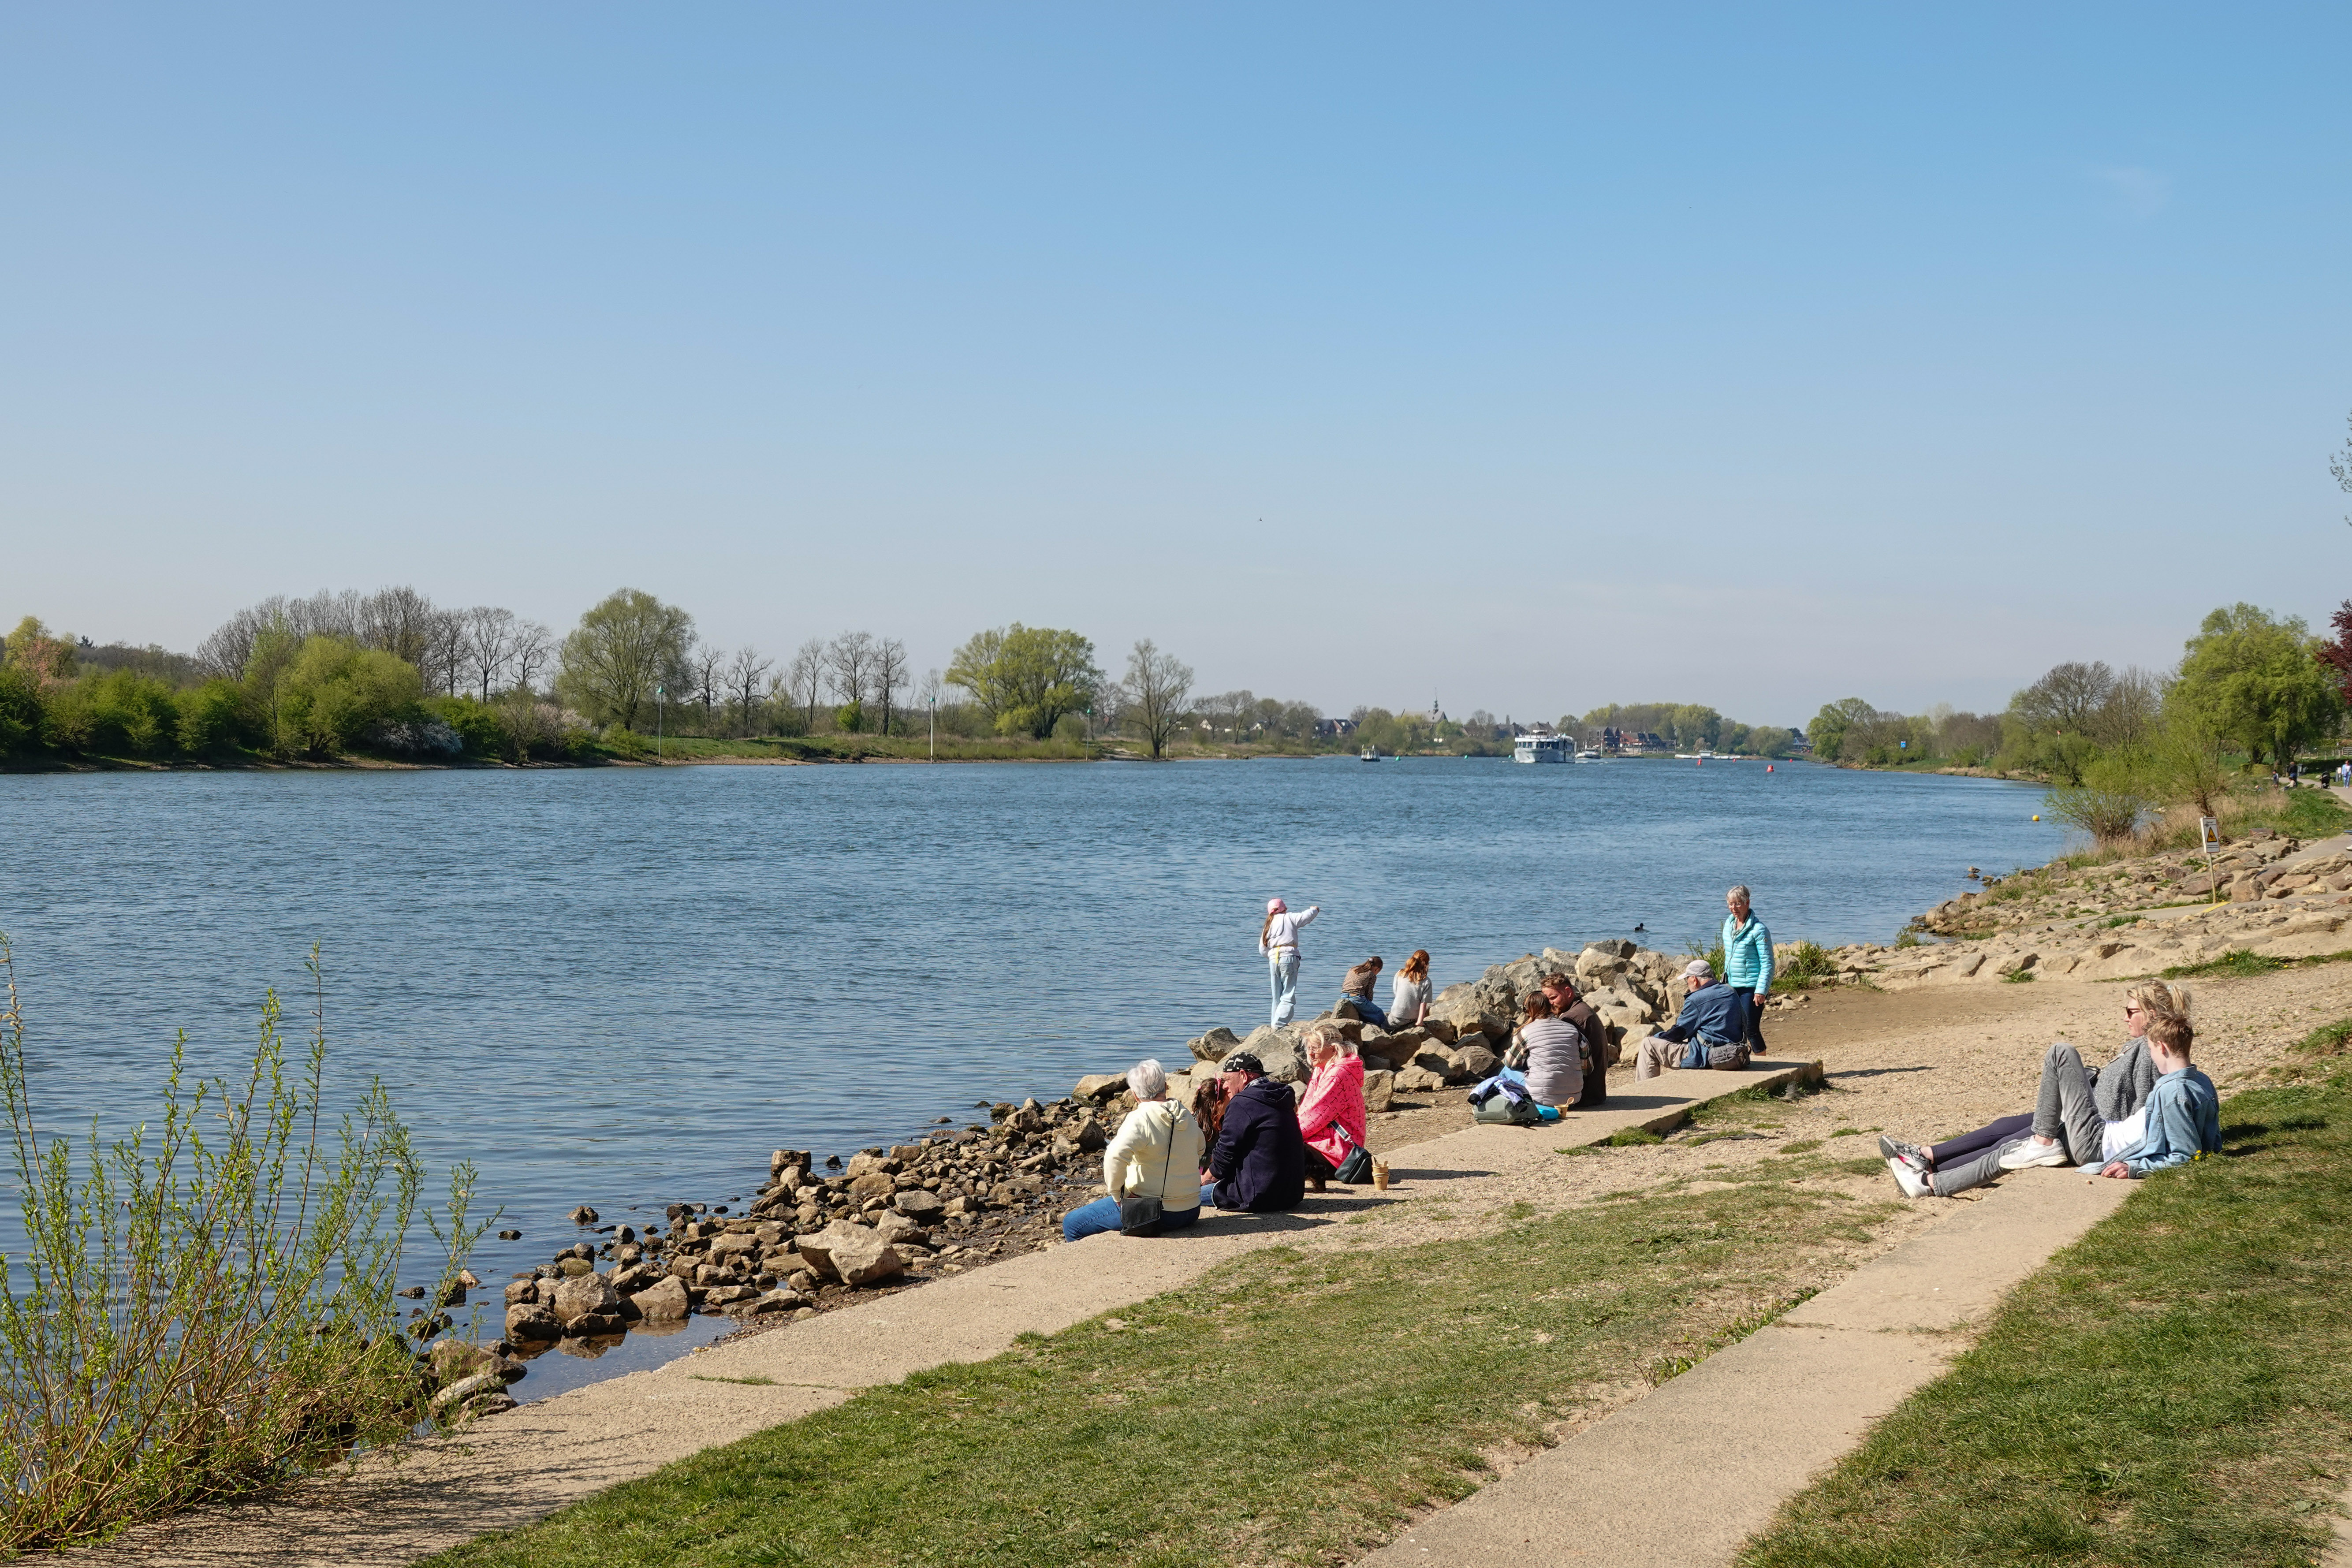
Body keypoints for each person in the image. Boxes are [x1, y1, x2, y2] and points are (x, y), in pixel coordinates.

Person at [1881, 983, 2186, 1199]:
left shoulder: (2150, 1052)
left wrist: (2127, 1157)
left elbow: (2145, 1112)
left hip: (2092, 1127)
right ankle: (1926, 1157)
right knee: (2005, 1126)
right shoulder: (2139, 1045)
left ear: (2151, 1013)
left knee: (2011, 1143)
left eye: (2131, 1011)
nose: (2124, 1017)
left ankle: (1932, 1174)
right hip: (2083, 1117)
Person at [1060, 1059, 1211, 1241]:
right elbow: (1201, 1149)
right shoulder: (1184, 1114)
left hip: (1155, 1213)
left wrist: (1119, 1195)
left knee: (1072, 1224)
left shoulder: (1140, 1119)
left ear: (1135, 1095)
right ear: (1165, 1087)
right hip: (1191, 1210)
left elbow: (1114, 1157)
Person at [1205, 1050, 1308, 1212]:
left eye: (1227, 1079)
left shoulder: (1242, 1102)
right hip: (1291, 1195)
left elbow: (1225, 1153)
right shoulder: (1281, 1096)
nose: (1224, 1086)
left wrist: (1204, 1180)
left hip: (1256, 1196)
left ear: (1243, 1075)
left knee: (1184, 1197)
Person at [1633, 961, 1746, 1079]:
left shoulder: (1696, 999)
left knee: (1648, 1044)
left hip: (1709, 1056)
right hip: (1736, 1052)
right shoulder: (1730, 991)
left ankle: (1644, 1089)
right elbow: (1744, 1021)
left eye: (1687, 979)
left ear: (1694, 980)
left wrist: (1658, 1036)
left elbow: (1678, 1033)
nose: (1687, 984)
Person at [1295, 1023, 1367, 1191]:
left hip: (1337, 1153)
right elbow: (1307, 1111)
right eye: (1309, 1048)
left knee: (1277, 1148)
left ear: (1334, 1050)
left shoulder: (1337, 1075)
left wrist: (1283, 1134)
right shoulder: (1324, 1068)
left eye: (1315, 1049)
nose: (1310, 1054)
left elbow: (1314, 1117)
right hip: (1330, 1145)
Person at [1538, 972, 1613, 1107]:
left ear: (1568, 992)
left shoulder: (1571, 1019)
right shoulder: (1583, 1010)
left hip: (1581, 1096)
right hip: (1595, 1092)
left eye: (1553, 998)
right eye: (1546, 1000)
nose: (1550, 1004)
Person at [1722, 884, 1773, 1056]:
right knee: (1733, 1028)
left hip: (1751, 987)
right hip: (1731, 985)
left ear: (1747, 903)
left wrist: (1761, 991)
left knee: (1751, 1028)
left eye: (1738, 903)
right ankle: (1740, 1061)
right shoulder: (1729, 925)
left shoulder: (1759, 930)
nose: (1734, 908)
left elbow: (1768, 963)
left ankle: (1764, 1064)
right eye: (1731, 904)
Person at [1516, 992, 1587, 1109]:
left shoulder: (1526, 1032)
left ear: (1529, 1010)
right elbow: (1587, 1068)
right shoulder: (1573, 1030)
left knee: (1506, 1071)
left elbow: (1512, 1063)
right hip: (1572, 1099)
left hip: (1541, 1099)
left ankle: (1512, 1106)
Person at [1259, 898, 1321, 1028]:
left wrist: (1272, 954)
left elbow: (1263, 950)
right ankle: (1279, 1024)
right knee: (1288, 993)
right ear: (1285, 909)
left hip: (1273, 959)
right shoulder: (1290, 917)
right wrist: (1315, 909)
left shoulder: (1268, 925)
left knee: (1277, 995)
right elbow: (1306, 916)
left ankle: (1274, 1022)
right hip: (1289, 957)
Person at [1338, 956, 1388, 1026]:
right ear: (1377, 969)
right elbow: (1369, 993)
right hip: (1357, 997)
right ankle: (1381, 1029)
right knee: (1379, 1014)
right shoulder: (1371, 974)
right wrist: (1369, 1004)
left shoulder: (1353, 969)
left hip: (1344, 995)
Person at [1390, 950, 1434, 1027]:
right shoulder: (1426, 981)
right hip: (1412, 1018)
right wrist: (1420, 1022)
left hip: (1396, 1014)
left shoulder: (1400, 973)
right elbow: (1423, 1004)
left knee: (1383, 1027)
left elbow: (1396, 992)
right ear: (1426, 965)